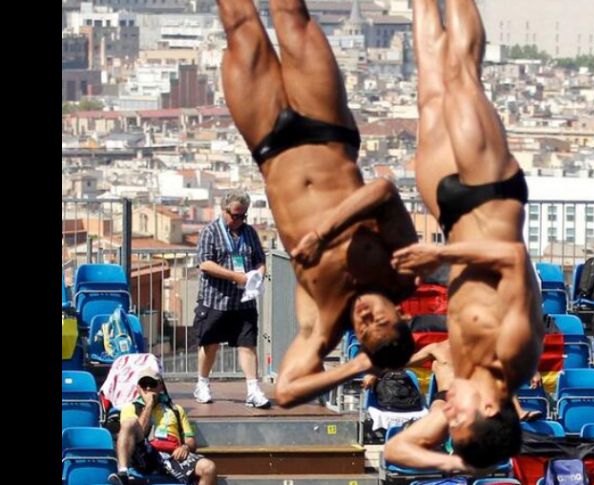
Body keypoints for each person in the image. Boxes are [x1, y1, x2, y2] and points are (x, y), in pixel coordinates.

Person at [216, 0, 420, 407]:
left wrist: (358, 366)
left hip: (269, 142)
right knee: (290, 13)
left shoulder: (324, 319)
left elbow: (287, 392)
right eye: (378, 318)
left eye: (363, 328)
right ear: (402, 315)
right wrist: (323, 233)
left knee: (239, 24)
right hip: (328, 129)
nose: (364, 315)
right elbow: (384, 192)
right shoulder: (401, 275)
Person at [389, 0, 544, 469]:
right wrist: (437, 252)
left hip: (449, 209)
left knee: (430, 90)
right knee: (460, 75)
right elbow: (513, 258)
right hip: (490, 193)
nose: (446, 410)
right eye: (459, 419)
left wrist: (460, 463)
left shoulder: (466, 378)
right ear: (492, 407)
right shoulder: (514, 356)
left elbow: (398, 450)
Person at [382, 342, 543, 471]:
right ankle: (443, 449)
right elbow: (404, 362)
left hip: (470, 397)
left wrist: (532, 371)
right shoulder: (436, 348)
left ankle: (518, 412)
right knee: (437, 412)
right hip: (445, 396)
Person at [193, 189, 270, 408]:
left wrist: (258, 275)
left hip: (244, 300)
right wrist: (235, 276)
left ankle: (253, 389)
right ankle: (203, 384)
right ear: (224, 210)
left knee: (247, 344)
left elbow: (259, 260)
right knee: (210, 344)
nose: (238, 220)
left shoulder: (250, 233)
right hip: (215, 299)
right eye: (234, 215)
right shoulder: (210, 232)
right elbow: (205, 263)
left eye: (242, 216)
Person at [108, 368, 217, 485]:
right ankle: (123, 472)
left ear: (160, 386)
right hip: (147, 453)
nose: (148, 388)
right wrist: (149, 404)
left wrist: (185, 447)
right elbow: (141, 432)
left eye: (152, 384)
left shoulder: (176, 409)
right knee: (129, 422)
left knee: (209, 468)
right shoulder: (130, 408)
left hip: (173, 454)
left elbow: (191, 440)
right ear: (138, 388)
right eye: (144, 385)